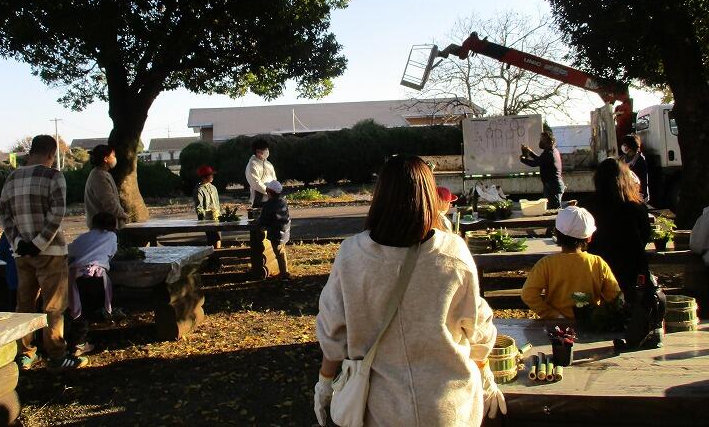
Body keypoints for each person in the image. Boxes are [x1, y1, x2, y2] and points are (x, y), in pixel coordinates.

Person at [314, 156, 505, 426]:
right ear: (429, 197)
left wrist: (324, 383)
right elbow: (477, 326)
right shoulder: (452, 252)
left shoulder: (352, 256)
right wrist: (485, 375)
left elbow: (333, 332)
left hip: (380, 409)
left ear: (380, 196)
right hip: (449, 408)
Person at [0, 134, 87, 371]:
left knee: (24, 304)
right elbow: (57, 213)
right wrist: (39, 242)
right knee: (54, 306)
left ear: (30, 152)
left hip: (21, 253)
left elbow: (3, 213)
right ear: (51, 154)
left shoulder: (12, 178)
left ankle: (25, 354)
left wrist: (17, 241)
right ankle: (56, 355)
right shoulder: (54, 176)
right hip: (51, 251)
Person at [521, 206, 622, 319]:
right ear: (589, 238)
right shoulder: (598, 263)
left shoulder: (546, 264)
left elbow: (528, 294)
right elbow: (615, 297)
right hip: (589, 324)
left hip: (556, 326)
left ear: (556, 234)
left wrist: (552, 314)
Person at [586, 158, 652, 298]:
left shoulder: (586, 206)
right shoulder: (637, 207)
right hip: (630, 270)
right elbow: (645, 236)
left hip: (595, 271)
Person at [67, 212, 119, 357]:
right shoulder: (111, 236)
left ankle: (79, 341)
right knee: (88, 309)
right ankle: (79, 344)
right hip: (96, 277)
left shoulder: (83, 237)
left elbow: (71, 251)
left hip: (78, 276)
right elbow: (112, 253)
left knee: (80, 309)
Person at [84, 144, 128, 231]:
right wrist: (123, 215)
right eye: (113, 156)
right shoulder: (99, 176)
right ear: (106, 159)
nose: (115, 158)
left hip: (105, 226)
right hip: (103, 228)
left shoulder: (102, 174)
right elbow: (109, 203)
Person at [520, 131, 565, 210]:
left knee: (554, 211)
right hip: (553, 186)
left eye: (543, 139)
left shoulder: (549, 154)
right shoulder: (552, 151)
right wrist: (530, 152)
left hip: (553, 187)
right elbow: (540, 160)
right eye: (540, 139)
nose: (540, 141)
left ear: (550, 142)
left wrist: (522, 159)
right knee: (553, 209)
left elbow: (534, 163)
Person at [258, 180, 290, 278]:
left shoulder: (269, 204)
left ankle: (284, 274)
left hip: (275, 233)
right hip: (284, 231)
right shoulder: (283, 201)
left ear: (269, 192)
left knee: (279, 253)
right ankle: (284, 271)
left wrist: (261, 225)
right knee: (281, 251)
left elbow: (264, 219)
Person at [193, 165, 221, 249]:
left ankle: (217, 255)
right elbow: (199, 206)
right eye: (210, 175)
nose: (212, 176)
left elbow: (217, 203)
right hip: (207, 219)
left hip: (217, 217)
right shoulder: (199, 189)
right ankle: (212, 256)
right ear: (204, 177)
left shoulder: (213, 188)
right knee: (212, 239)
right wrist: (202, 220)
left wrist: (221, 215)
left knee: (218, 238)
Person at [245, 138, 276, 208]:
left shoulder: (268, 164)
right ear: (258, 151)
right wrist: (269, 191)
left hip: (271, 198)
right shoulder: (252, 165)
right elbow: (255, 183)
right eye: (265, 149)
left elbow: (274, 179)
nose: (267, 151)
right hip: (260, 200)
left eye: (267, 149)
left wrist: (275, 190)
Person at [620, 133, 649, 203]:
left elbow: (643, 180)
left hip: (637, 195)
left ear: (630, 146)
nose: (623, 146)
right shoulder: (623, 158)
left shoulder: (640, 161)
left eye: (625, 144)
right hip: (627, 193)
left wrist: (641, 196)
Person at [0, 232, 18, 311]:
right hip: (36, 279)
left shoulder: (8, 231)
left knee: (14, 306)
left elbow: (1, 253)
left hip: (14, 277)